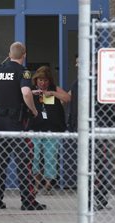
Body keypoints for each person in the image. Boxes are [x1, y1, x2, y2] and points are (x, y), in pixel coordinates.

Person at [0, 41, 46, 211]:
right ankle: (28, 202)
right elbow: (25, 93)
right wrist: (33, 110)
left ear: (9, 54)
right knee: (24, 163)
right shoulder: (23, 72)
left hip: (0, 123)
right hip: (18, 124)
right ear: (24, 55)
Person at [67, 55, 115, 211]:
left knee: (97, 165)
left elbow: (112, 104)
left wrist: (105, 123)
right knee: (84, 166)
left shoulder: (100, 83)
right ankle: (89, 198)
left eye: (78, 63)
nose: (76, 66)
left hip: (97, 129)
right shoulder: (77, 84)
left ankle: (98, 197)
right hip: (81, 130)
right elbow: (73, 106)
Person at [29, 66, 70, 194]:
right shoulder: (31, 91)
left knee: (50, 157)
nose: (43, 83)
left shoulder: (54, 89)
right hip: (34, 129)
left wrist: (52, 93)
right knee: (34, 157)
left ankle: (48, 185)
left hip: (52, 129)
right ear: (36, 80)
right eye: (40, 80)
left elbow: (67, 98)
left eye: (45, 80)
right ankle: (35, 184)